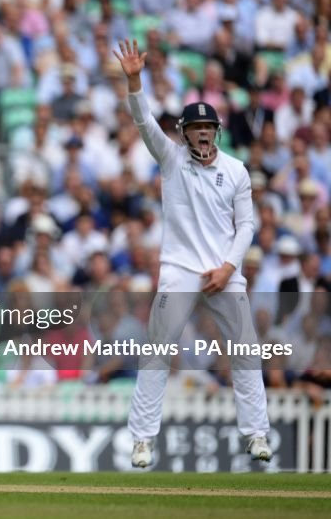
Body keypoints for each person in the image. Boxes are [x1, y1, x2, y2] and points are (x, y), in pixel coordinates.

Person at [113, 39, 272, 469]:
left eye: (208, 128)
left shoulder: (237, 170)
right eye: (194, 128)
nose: (202, 134)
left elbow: (247, 227)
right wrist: (134, 81)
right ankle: (143, 440)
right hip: (179, 269)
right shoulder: (171, 159)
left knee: (245, 352)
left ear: (216, 131)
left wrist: (228, 267)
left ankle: (257, 434)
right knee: (157, 351)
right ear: (183, 133)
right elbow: (144, 121)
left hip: (224, 271)